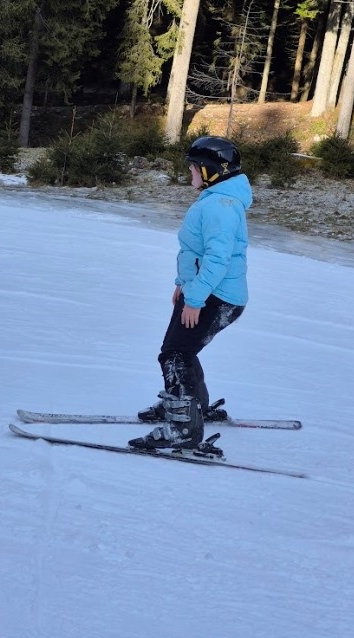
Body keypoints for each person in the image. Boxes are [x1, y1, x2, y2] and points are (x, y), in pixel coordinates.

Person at [128, 135, 252, 450]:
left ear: (212, 170)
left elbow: (217, 259)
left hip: (215, 296)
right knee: (181, 350)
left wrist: (195, 299)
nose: (190, 172)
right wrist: (183, 284)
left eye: (195, 167)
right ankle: (191, 406)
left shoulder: (221, 206)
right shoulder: (217, 198)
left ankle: (184, 425)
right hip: (204, 290)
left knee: (175, 354)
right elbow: (195, 251)